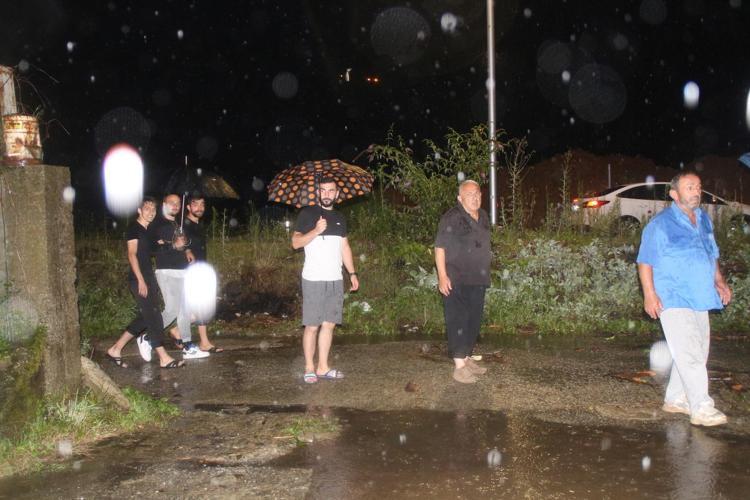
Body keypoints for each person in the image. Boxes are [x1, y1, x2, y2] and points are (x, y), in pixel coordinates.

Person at [637, 171, 732, 427]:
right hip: (673, 296)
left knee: (696, 352)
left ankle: (676, 398)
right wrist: (650, 295)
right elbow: (645, 261)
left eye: (698, 187)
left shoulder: (704, 220)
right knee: (690, 353)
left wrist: (719, 281)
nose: (696, 191)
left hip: (699, 295)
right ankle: (701, 407)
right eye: (689, 187)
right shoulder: (660, 224)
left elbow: (711, 254)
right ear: (674, 194)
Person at [291, 178, 359, 384]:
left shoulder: (340, 218)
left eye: (331, 191)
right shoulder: (307, 214)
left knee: (329, 325)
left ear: (337, 194)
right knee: (312, 326)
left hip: (335, 279)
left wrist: (352, 273)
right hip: (313, 279)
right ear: (318, 193)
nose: (327, 194)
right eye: (323, 190)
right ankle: (309, 367)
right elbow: (295, 243)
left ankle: (323, 367)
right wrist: (315, 231)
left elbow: (344, 247)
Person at [106, 197, 184, 368]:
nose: (151, 212)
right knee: (154, 317)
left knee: (146, 316)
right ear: (139, 211)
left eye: (153, 209)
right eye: (147, 209)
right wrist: (140, 279)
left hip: (149, 278)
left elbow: (158, 248)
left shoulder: (148, 231)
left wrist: (175, 245)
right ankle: (163, 358)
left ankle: (115, 349)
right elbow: (132, 254)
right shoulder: (134, 228)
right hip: (138, 278)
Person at [435, 180, 491, 384]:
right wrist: (442, 276)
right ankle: (459, 367)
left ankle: (466, 358)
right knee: (458, 321)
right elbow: (439, 248)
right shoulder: (451, 218)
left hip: (478, 278)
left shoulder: (483, 216)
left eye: (477, 193)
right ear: (460, 198)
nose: (475, 197)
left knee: (473, 321)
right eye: (469, 194)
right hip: (456, 279)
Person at [143, 193, 208, 360]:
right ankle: (148, 337)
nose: (175, 205)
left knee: (184, 310)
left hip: (182, 270)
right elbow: (151, 248)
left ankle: (187, 345)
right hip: (167, 271)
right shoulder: (157, 224)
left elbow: (181, 244)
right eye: (171, 202)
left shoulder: (176, 224)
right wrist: (173, 245)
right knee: (172, 310)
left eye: (178, 203)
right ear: (164, 204)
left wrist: (187, 249)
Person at [183, 191, 223, 353]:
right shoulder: (183, 226)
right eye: (195, 204)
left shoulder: (199, 225)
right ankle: (203, 342)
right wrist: (186, 250)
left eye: (202, 204)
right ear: (188, 207)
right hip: (190, 271)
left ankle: (177, 330)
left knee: (198, 307)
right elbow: (177, 243)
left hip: (201, 269)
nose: (199, 208)